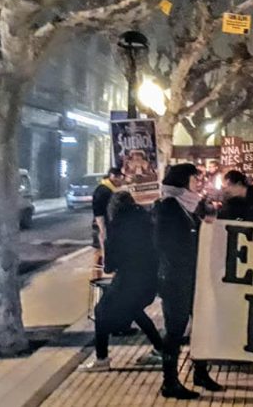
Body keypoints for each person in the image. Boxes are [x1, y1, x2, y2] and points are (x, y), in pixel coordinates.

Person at [154, 163, 222, 399]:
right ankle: (169, 382)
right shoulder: (168, 207)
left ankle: (200, 373)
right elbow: (166, 243)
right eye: (195, 178)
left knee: (201, 322)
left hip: (192, 274)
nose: (199, 182)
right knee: (175, 328)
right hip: (175, 277)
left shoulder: (191, 204)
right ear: (183, 181)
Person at [79, 191, 162, 372]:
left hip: (128, 280)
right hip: (150, 280)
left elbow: (109, 267)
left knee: (101, 312)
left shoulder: (116, 227)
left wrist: (104, 242)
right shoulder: (147, 220)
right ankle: (161, 349)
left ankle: (102, 359)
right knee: (135, 311)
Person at [91, 168, 124, 276]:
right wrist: (102, 227)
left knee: (101, 252)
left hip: (103, 224)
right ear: (113, 176)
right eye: (120, 178)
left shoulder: (108, 188)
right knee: (101, 251)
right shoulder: (104, 190)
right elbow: (98, 211)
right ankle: (97, 276)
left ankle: (98, 275)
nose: (121, 180)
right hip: (101, 225)